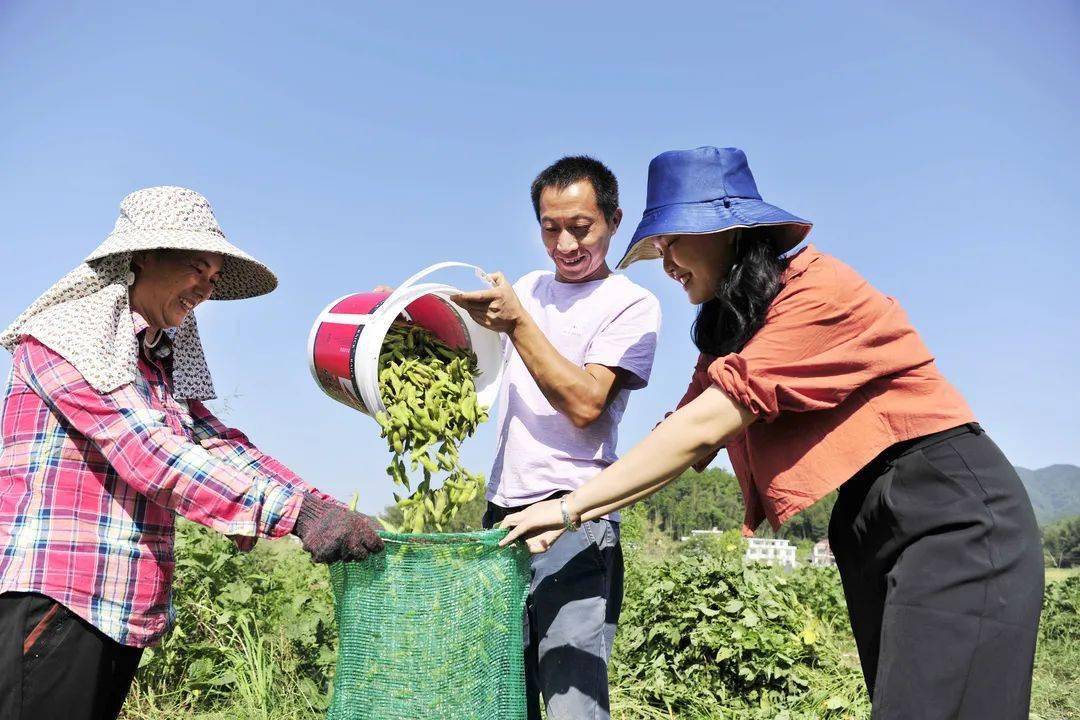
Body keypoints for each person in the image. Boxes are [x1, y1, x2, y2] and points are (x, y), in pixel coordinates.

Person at [500, 147, 1044, 719]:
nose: (666, 264)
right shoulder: (738, 325)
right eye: (658, 247)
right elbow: (685, 439)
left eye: (673, 242)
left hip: (948, 511)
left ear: (729, 232)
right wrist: (574, 510)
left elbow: (703, 425)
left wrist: (568, 509)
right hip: (868, 520)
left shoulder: (815, 294)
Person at [0, 186, 383, 720]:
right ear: (142, 257)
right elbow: (150, 454)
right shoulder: (65, 341)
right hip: (59, 597)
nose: (205, 287)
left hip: (114, 606)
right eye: (195, 268)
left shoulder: (152, 363)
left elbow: (216, 444)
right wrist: (296, 516)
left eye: (213, 275)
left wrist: (319, 504)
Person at [450, 156, 661, 720]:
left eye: (581, 227)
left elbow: (587, 405)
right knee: (502, 696)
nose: (565, 243)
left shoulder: (631, 304)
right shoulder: (529, 289)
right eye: (550, 228)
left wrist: (518, 322)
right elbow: (472, 355)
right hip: (503, 521)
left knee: (573, 703)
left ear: (614, 220)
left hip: (576, 521)